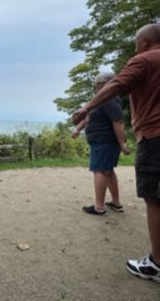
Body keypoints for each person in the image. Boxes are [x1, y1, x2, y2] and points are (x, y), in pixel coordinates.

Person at [72, 23, 160, 283]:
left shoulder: (144, 60)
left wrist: (85, 107)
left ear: (144, 41)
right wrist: (80, 126)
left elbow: (118, 104)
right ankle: (114, 203)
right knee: (108, 172)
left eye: (136, 41)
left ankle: (156, 264)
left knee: (153, 197)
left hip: (154, 136)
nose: (134, 46)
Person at [72, 72, 129, 216]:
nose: (95, 87)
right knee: (108, 171)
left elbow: (118, 120)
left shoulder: (109, 98)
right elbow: (88, 116)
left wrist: (122, 143)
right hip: (103, 141)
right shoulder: (101, 99)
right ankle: (116, 203)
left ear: (106, 84)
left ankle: (99, 207)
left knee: (100, 170)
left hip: (104, 141)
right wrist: (78, 129)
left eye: (98, 84)